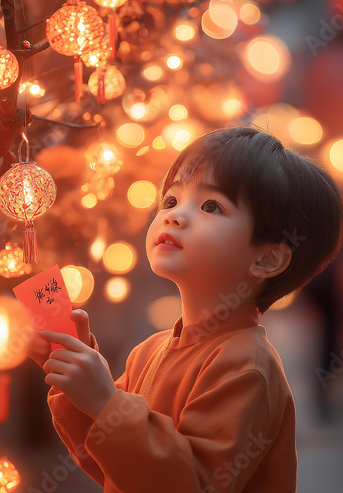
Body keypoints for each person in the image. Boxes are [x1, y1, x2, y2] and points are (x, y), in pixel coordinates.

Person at [30, 127, 343, 493]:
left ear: (269, 257)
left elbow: (193, 483)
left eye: (211, 206)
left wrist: (105, 401)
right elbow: (114, 467)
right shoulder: (147, 352)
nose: (174, 216)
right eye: (171, 200)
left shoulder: (248, 366)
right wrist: (74, 377)